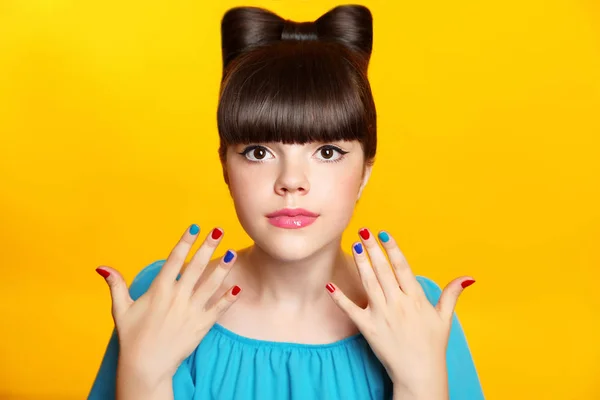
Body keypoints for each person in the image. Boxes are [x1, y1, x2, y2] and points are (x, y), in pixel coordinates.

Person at [88, 4, 484, 400]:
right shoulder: (167, 300)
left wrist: (420, 382)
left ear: (365, 172)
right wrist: (143, 375)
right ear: (226, 168)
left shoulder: (416, 311)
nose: (291, 182)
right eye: (259, 152)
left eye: (327, 152)